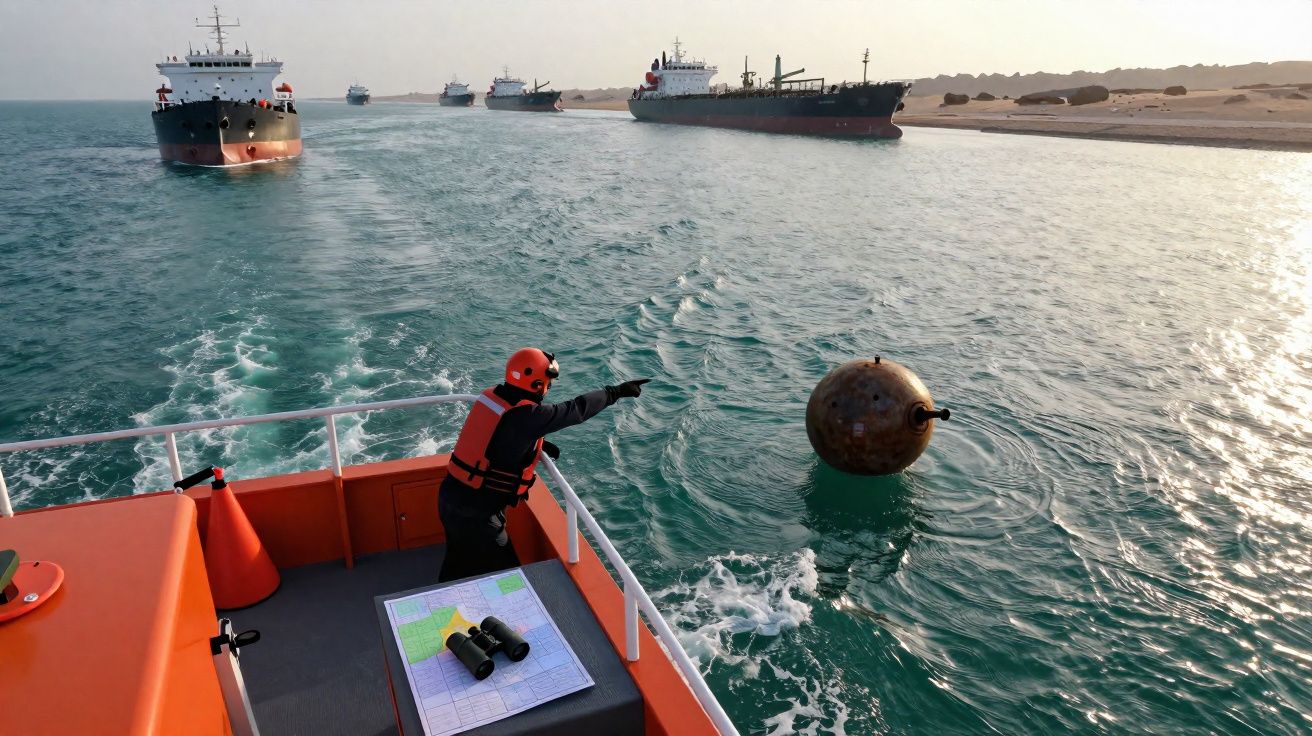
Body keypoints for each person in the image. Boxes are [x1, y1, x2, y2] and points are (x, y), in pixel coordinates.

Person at [437, 348, 649, 582]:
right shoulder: (529, 415)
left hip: (450, 496)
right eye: (547, 380)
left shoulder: (493, 396)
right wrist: (614, 392)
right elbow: (575, 410)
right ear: (536, 381)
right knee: (507, 576)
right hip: (477, 513)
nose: (549, 386)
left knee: (457, 562)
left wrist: (537, 446)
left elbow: (496, 438)